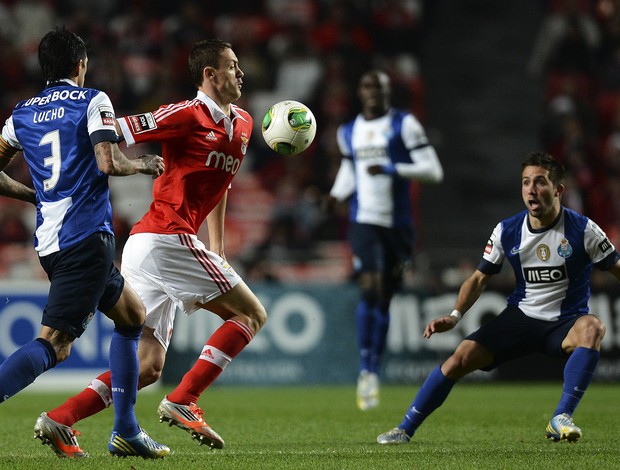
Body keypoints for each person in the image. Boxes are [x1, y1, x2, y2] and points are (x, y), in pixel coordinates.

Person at [38, 38, 267, 456]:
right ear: (209, 75)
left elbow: (221, 187)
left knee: (145, 368)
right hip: (165, 237)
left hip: (156, 245)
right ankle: (184, 400)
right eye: (232, 66)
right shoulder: (185, 113)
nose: (241, 73)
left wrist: (216, 248)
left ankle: (60, 419)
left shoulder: (245, 124)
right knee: (251, 314)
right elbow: (116, 130)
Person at [0, 28, 169, 459]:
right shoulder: (93, 100)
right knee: (56, 344)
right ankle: (118, 429)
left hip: (52, 241)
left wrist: (34, 194)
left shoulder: (20, 114)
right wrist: (143, 164)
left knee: (133, 315)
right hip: (86, 237)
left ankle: (127, 431)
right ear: (81, 65)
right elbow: (108, 161)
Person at [377, 151, 620, 445]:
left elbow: (617, 269)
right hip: (520, 319)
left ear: (558, 190)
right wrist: (454, 316)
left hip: (565, 322)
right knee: (459, 359)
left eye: (540, 182)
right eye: (525, 182)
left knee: (592, 327)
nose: (531, 189)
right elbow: (479, 278)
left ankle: (561, 417)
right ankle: (404, 428)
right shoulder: (507, 230)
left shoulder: (584, 230)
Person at [326, 69, 443, 411]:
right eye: (366, 85)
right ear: (360, 92)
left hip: (400, 226)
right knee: (371, 286)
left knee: (386, 297)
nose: (373, 90)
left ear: (389, 92)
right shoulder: (347, 131)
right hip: (364, 221)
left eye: (379, 85)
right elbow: (351, 170)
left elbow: (433, 170)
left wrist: (394, 168)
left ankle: (373, 368)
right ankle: (366, 372)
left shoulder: (405, 124)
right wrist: (336, 196)